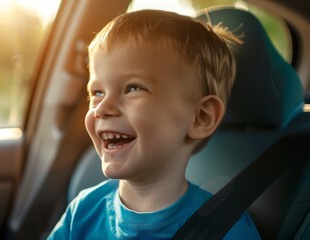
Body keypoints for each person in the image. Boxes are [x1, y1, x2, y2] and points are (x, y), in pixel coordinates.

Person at [48, 9, 260, 239]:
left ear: (201, 117)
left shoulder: (228, 230)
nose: (101, 108)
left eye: (133, 88)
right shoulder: (82, 213)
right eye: (97, 92)